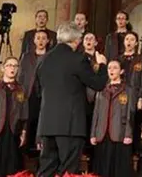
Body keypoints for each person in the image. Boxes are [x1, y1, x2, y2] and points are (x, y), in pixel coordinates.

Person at [35, 22, 108, 177]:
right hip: (70, 126)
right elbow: (98, 84)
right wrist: (102, 66)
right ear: (76, 40)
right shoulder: (78, 59)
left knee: (46, 170)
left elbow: (37, 90)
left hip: (47, 125)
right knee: (68, 171)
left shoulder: (43, 59)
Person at [90, 60, 135, 177]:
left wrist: (128, 134)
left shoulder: (128, 90)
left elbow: (131, 114)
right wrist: (93, 134)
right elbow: (96, 113)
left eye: (115, 68)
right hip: (102, 133)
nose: (111, 70)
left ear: (121, 71)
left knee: (118, 169)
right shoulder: (101, 89)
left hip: (119, 133)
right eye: (109, 68)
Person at [18, 29, 49, 152]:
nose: (41, 40)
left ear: (47, 41)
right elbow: (21, 75)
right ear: (34, 40)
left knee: (42, 121)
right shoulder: (26, 56)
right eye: (38, 38)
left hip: (45, 93)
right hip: (29, 93)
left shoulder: (50, 56)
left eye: (43, 38)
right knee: (28, 120)